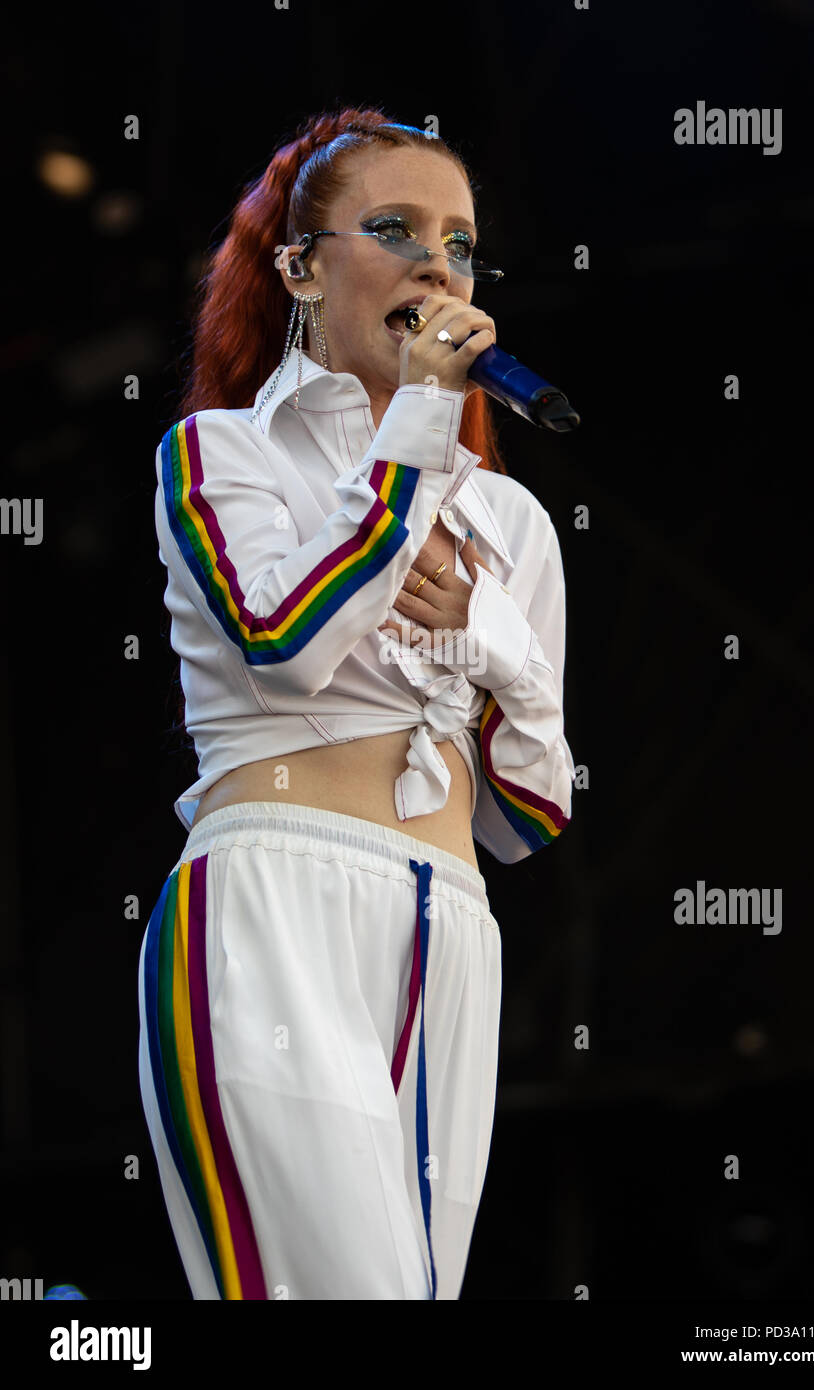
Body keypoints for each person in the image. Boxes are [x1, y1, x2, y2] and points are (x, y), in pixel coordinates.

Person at [137, 106, 576, 1301]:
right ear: (298, 266)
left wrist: (483, 638)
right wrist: (420, 427)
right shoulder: (221, 455)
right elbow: (283, 643)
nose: (440, 265)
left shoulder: (510, 521)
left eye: (462, 243)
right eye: (394, 229)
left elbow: (527, 814)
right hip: (276, 894)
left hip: (451, 933)